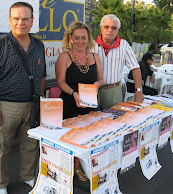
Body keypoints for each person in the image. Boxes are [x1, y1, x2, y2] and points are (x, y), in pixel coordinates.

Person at [0, 2, 46, 194]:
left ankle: (27, 176)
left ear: (32, 21)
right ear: (10, 20)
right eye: (16, 18)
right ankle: (0, 185)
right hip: (6, 106)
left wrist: (41, 103)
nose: (21, 22)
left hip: (32, 105)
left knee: (30, 145)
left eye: (25, 18)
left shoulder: (38, 45)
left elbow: (42, 75)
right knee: (2, 148)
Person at [55, 21, 103, 181]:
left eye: (83, 37)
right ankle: (70, 168)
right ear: (70, 38)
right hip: (70, 103)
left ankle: (81, 166)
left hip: (90, 103)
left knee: (87, 137)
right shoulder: (64, 56)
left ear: (88, 38)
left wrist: (96, 85)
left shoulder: (95, 57)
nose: (80, 41)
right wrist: (74, 93)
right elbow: (60, 82)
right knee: (70, 138)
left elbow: (101, 79)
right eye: (77, 38)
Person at [92, 14, 144, 109]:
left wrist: (138, 90)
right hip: (93, 91)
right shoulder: (91, 45)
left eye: (114, 27)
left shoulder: (124, 45)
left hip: (114, 91)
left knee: (112, 120)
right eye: (106, 27)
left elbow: (135, 68)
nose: (110, 30)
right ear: (101, 28)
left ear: (118, 30)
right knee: (92, 120)